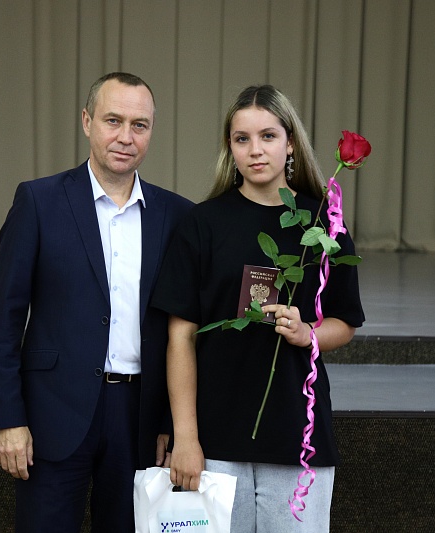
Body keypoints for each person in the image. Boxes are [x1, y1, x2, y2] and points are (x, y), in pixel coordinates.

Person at [0, 72, 193, 533]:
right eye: (113, 120)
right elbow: (4, 320)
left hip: (139, 421)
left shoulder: (178, 215)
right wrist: (8, 418)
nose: (125, 136)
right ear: (86, 121)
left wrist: (171, 422)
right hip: (52, 413)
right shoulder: (38, 202)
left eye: (139, 125)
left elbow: (181, 328)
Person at [150, 85, 365, 532]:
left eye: (268, 136)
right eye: (241, 138)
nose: (255, 150)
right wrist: (185, 437)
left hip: (296, 437)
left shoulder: (323, 225)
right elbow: (180, 338)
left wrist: (308, 333)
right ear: (229, 147)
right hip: (215, 439)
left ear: (291, 142)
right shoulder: (202, 224)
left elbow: (345, 322)